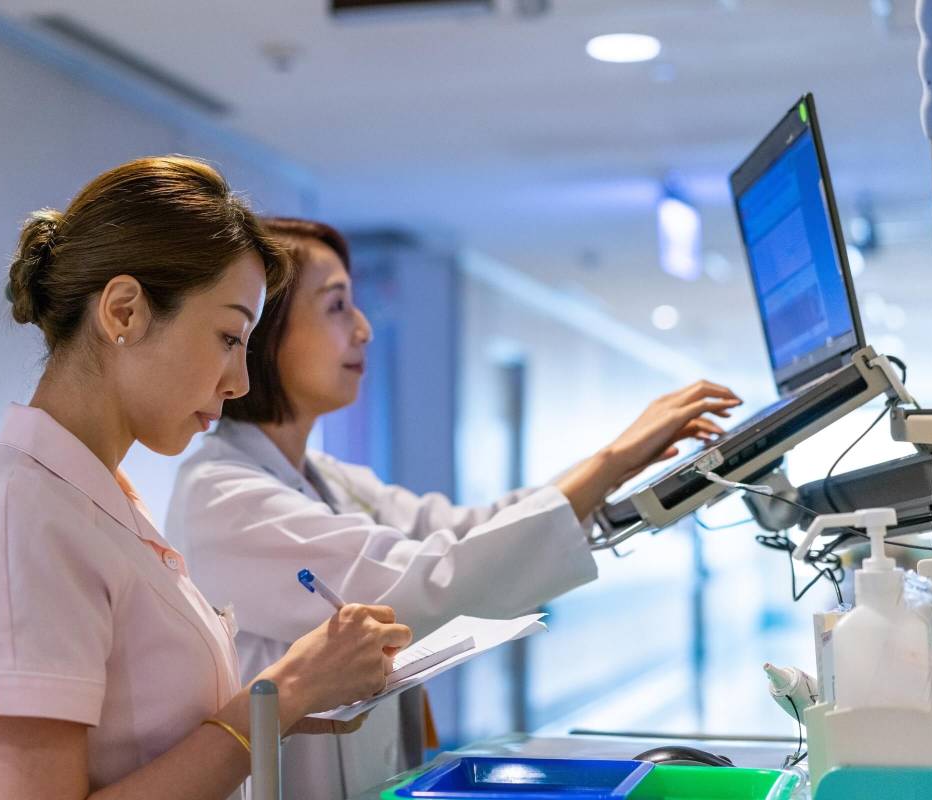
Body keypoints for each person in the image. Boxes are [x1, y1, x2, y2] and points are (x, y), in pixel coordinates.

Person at [165, 217, 743, 799]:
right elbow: (433, 582)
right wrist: (614, 460)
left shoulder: (328, 479)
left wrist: (614, 466)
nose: (363, 329)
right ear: (262, 332)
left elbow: (466, 531)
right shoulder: (225, 497)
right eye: (336, 306)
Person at [0, 162, 411, 800]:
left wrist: (304, 693)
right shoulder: (23, 514)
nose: (239, 380)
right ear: (123, 311)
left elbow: (150, 744)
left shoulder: (99, 503)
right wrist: (283, 692)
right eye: (229, 336)